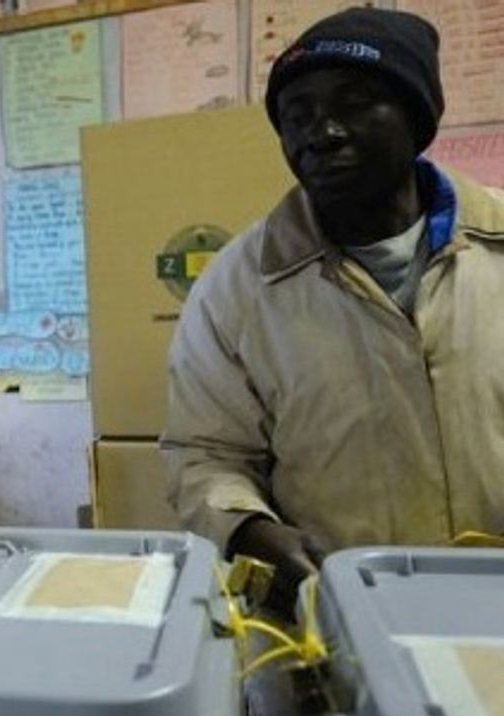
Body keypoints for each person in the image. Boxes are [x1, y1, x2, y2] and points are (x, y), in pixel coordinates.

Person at [163, 7, 504, 613]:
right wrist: (253, 534)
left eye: (354, 103)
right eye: (298, 116)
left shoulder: (495, 244)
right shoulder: (239, 287)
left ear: (417, 117)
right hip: (337, 620)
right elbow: (205, 457)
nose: (322, 132)